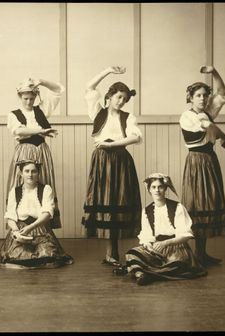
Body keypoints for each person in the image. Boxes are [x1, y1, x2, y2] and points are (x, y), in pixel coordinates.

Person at [81, 66, 142, 267]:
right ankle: (110, 252)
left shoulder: (128, 117)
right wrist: (107, 70)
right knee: (106, 201)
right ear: (109, 96)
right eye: (118, 97)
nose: (121, 102)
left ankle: (115, 251)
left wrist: (111, 144)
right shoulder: (97, 112)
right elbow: (90, 86)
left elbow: (135, 137)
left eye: (124, 99)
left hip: (121, 161)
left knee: (119, 201)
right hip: (101, 161)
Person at [114, 173, 207, 286]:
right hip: (157, 247)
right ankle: (142, 275)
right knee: (132, 254)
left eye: (160, 187)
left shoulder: (177, 207)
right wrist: (148, 245)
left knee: (178, 263)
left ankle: (143, 272)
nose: (157, 190)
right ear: (149, 190)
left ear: (165, 189)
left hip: (176, 246)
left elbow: (185, 235)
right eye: (153, 187)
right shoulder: (146, 211)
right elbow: (147, 234)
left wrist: (166, 243)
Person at [180, 65, 225, 266]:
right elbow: (208, 126)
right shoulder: (189, 116)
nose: (202, 98)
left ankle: (202, 253)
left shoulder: (208, 112)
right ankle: (196, 253)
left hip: (209, 160)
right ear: (190, 98)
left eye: (204, 96)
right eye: (198, 95)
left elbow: (222, 91)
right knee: (199, 203)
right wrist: (224, 136)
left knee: (209, 202)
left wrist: (215, 71)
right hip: (197, 162)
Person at [6, 78, 65, 229]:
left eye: (32, 98)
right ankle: (18, 227)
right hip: (24, 151)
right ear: (20, 97)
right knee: (22, 184)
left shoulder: (41, 111)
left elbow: (58, 90)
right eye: (25, 98)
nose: (29, 102)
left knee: (44, 183)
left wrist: (42, 82)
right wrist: (41, 130)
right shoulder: (13, 115)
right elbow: (19, 131)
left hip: (42, 152)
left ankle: (44, 227)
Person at [0, 160, 74, 269]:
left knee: (47, 254)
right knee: (19, 256)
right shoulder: (14, 192)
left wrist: (31, 227)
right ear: (21, 173)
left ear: (38, 173)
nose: (30, 175)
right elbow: (10, 216)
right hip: (21, 231)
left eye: (34, 171)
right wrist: (16, 231)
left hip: (40, 229)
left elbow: (47, 213)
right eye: (27, 171)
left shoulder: (45, 189)